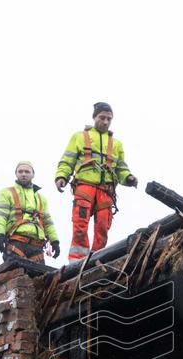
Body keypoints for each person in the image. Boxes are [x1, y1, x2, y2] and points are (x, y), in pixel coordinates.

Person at [54, 102, 138, 261]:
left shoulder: (116, 144)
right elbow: (67, 160)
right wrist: (61, 176)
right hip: (84, 187)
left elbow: (121, 167)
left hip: (106, 190)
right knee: (80, 225)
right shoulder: (79, 137)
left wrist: (128, 177)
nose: (105, 122)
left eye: (109, 119)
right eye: (102, 117)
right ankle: (77, 260)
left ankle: (97, 259)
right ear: (94, 117)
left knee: (102, 228)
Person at [0, 161, 59, 264]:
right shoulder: (6, 193)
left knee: (40, 274)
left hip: (37, 247)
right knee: (15, 272)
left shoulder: (41, 199)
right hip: (16, 243)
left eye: (27, 172)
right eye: (20, 171)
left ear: (33, 174)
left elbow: (48, 222)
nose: (23, 174)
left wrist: (55, 241)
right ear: (16, 174)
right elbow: (0, 215)